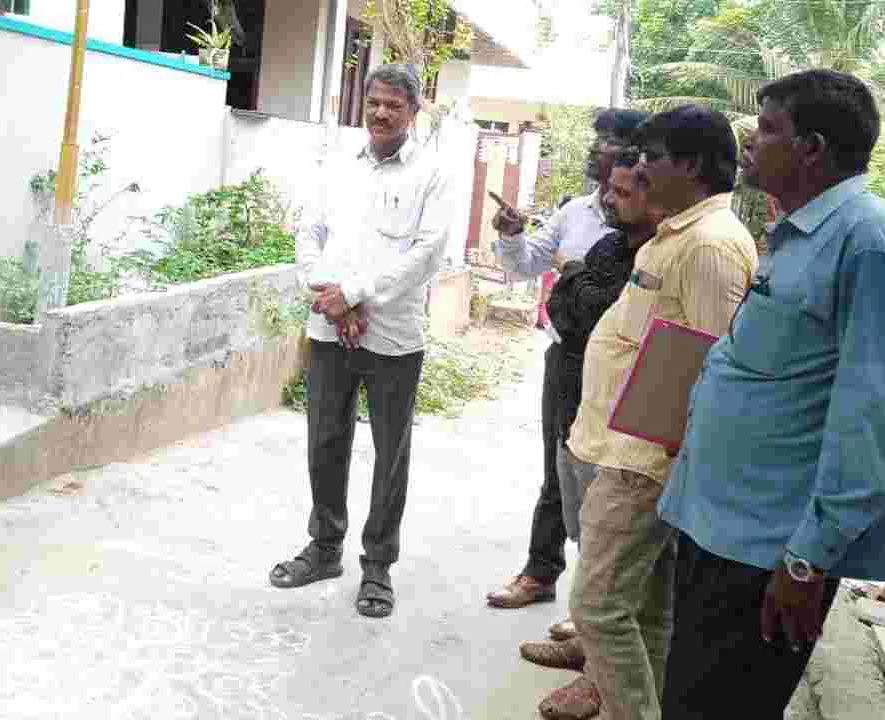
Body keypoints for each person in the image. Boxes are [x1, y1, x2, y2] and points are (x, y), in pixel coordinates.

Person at [658, 70, 885, 719]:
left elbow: (876, 412)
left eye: (768, 128)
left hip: (769, 549)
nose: (750, 140)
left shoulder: (870, 239)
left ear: (811, 148)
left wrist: (809, 558)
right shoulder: (804, 233)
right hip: (721, 529)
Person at [541, 106, 758, 720]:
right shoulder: (679, 236)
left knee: (597, 606)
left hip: (644, 459)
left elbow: (710, 364)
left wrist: (660, 457)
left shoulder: (711, 245)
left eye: (652, 158)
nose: (639, 170)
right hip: (624, 445)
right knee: (645, 611)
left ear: (690, 166)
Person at [268, 64, 449, 619]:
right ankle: (325, 549)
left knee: (390, 453)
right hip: (329, 328)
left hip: (393, 336)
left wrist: (354, 293)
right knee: (325, 440)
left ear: (413, 111)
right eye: (373, 102)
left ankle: (378, 566)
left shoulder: (432, 174)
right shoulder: (338, 165)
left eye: (393, 105)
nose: (380, 113)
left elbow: (426, 253)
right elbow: (309, 232)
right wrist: (329, 293)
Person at [486, 109, 648, 613]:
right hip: (567, 359)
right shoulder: (575, 212)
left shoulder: (650, 225)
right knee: (557, 468)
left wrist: (574, 274)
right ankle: (541, 572)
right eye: (596, 138)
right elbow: (524, 264)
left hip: (620, 368)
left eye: (609, 140)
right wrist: (512, 235)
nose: (596, 148)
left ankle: (595, 600)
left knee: (606, 480)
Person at [518, 151, 664, 677]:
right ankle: (579, 621)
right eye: (607, 188)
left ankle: (597, 659)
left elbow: (600, 312)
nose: (608, 199)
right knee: (567, 493)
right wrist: (579, 283)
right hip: (571, 385)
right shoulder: (607, 245)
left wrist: (576, 278)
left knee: (607, 526)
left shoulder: (660, 255)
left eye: (622, 191)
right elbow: (563, 309)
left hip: (618, 412)